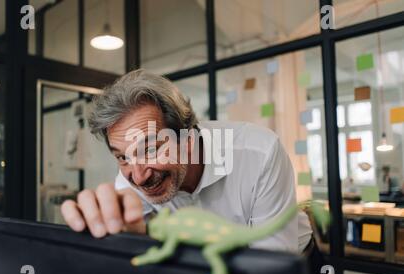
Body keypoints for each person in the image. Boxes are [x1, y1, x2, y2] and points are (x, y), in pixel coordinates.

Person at [61, 69, 313, 253]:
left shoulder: (258, 153)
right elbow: (134, 249)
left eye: (150, 149)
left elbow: (272, 268)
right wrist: (111, 235)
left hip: (288, 258)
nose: (138, 177)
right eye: (122, 157)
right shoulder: (131, 178)